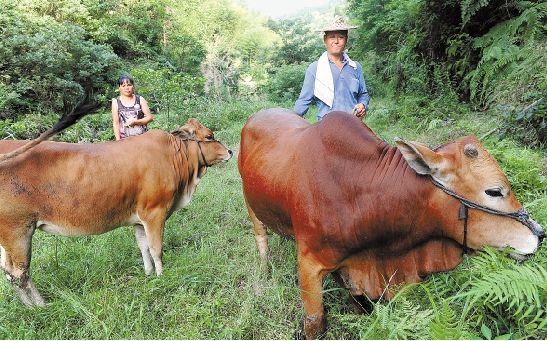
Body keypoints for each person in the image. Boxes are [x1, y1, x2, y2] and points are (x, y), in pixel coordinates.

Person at [294, 15, 370, 121]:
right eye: (332, 37)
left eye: (341, 37)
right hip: (327, 127)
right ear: (325, 40)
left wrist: (363, 104)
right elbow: (304, 100)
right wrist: (293, 120)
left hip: (353, 125)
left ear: (346, 40)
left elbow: (363, 94)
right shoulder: (315, 68)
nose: (336, 41)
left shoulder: (355, 67)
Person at [111, 75, 153, 140]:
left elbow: (149, 118)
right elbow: (116, 123)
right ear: (119, 88)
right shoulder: (116, 102)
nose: (127, 88)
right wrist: (118, 140)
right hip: (124, 141)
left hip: (142, 139)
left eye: (129, 85)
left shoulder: (140, 99)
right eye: (123, 86)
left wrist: (136, 122)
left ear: (132, 86)